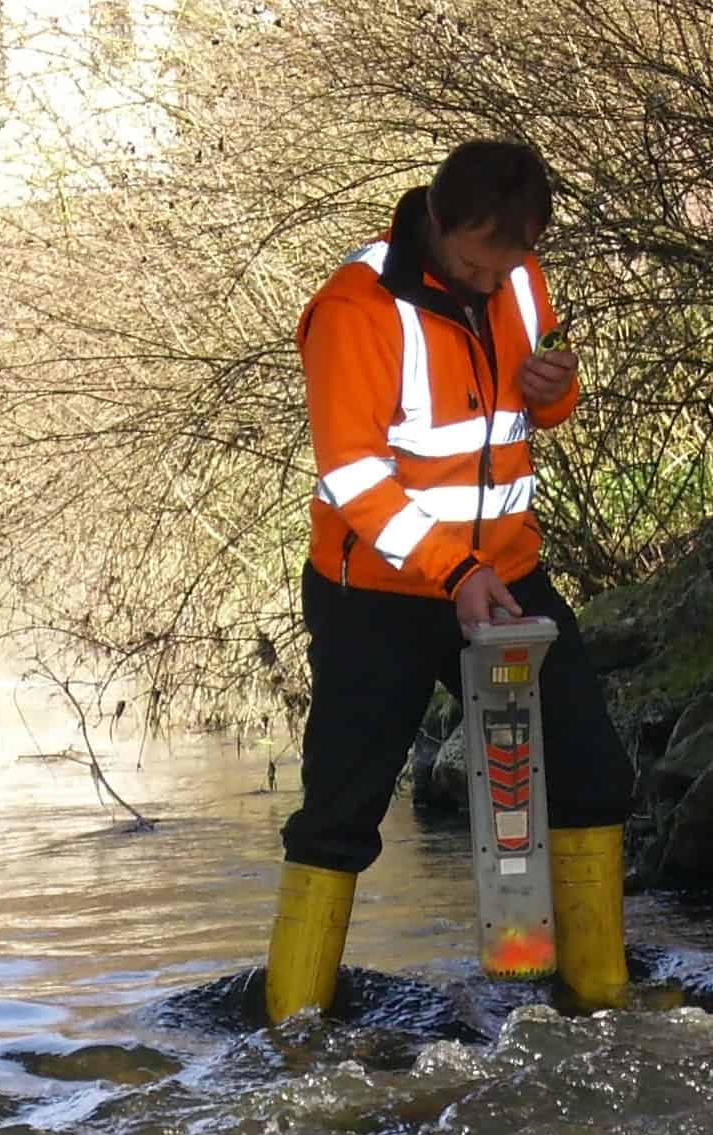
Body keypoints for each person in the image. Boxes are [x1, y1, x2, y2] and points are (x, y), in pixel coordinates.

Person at [265, 140, 635, 1021]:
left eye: (508, 259)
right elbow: (353, 478)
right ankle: (290, 1031)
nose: (490, 278)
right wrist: (452, 569)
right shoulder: (353, 309)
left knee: (590, 774)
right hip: (377, 599)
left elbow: (528, 408)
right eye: (474, 259)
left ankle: (599, 1006)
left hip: (505, 577)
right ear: (433, 221)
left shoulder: (519, 274)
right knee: (340, 811)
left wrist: (555, 391)